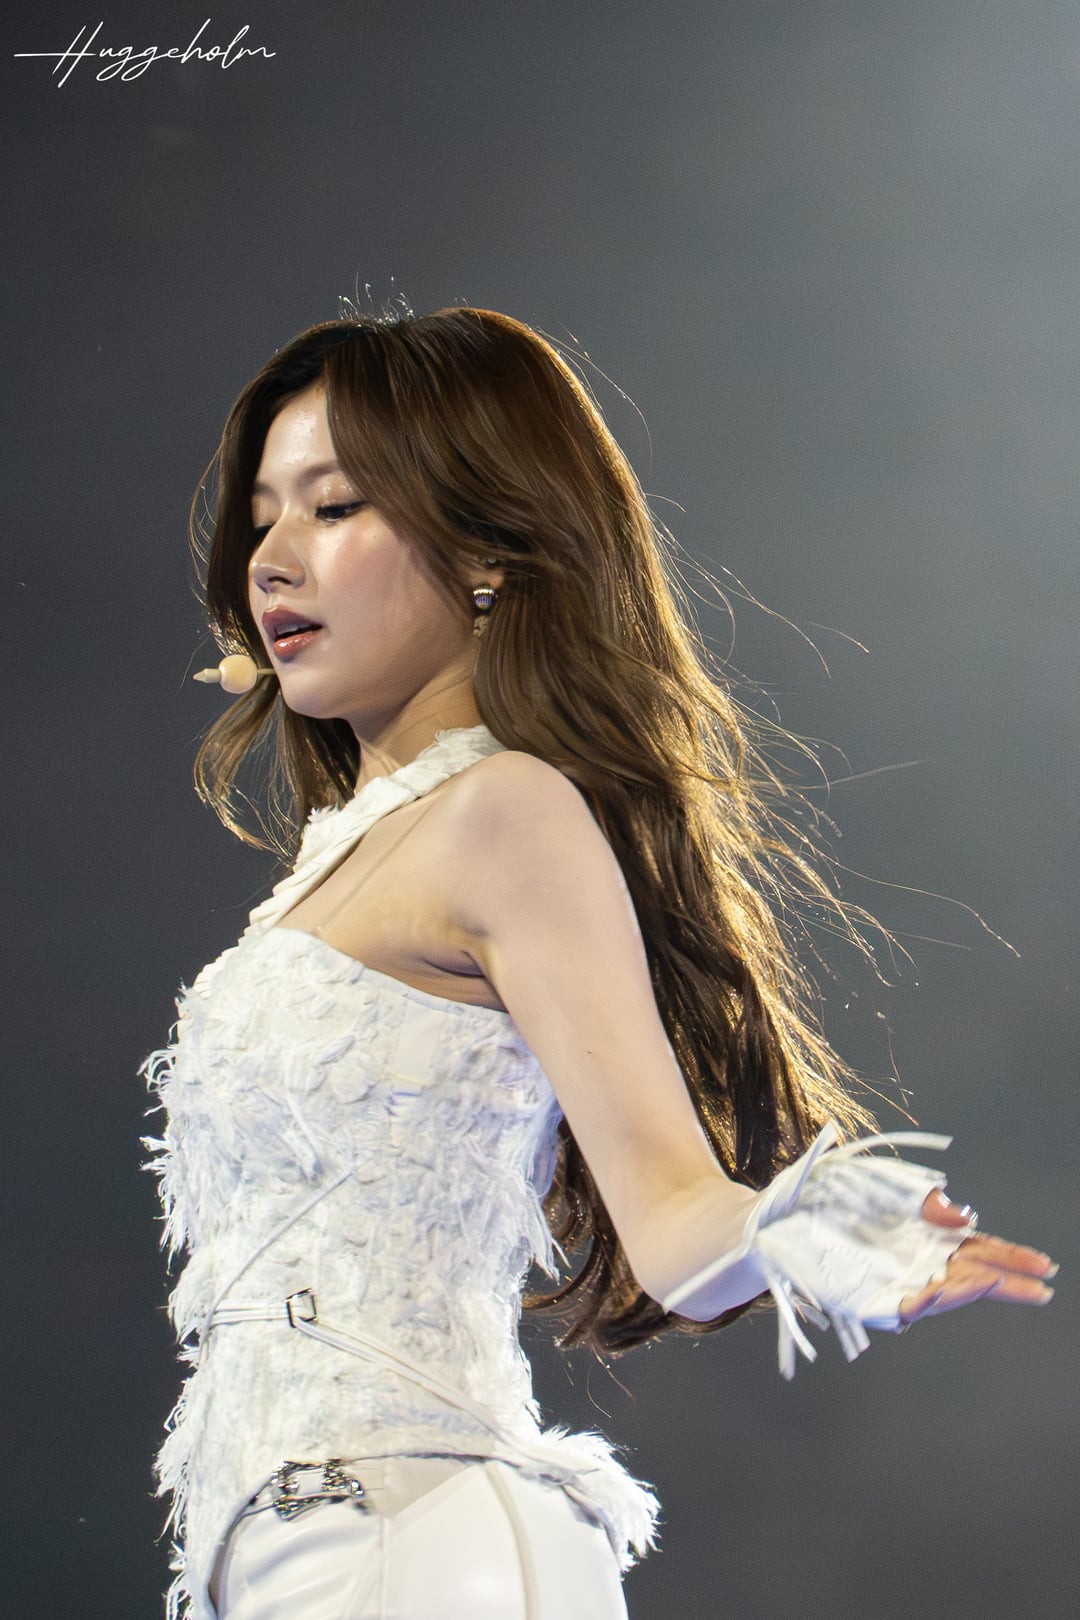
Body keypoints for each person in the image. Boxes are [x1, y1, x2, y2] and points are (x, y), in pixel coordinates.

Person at [143, 306, 1056, 1620]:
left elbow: (673, 1214)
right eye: (261, 517)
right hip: (297, 1556)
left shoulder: (503, 813)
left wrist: (803, 1229)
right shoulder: (349, 855)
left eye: (334, 507)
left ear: (486, 550)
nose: (271, 561)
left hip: (423, 1548)